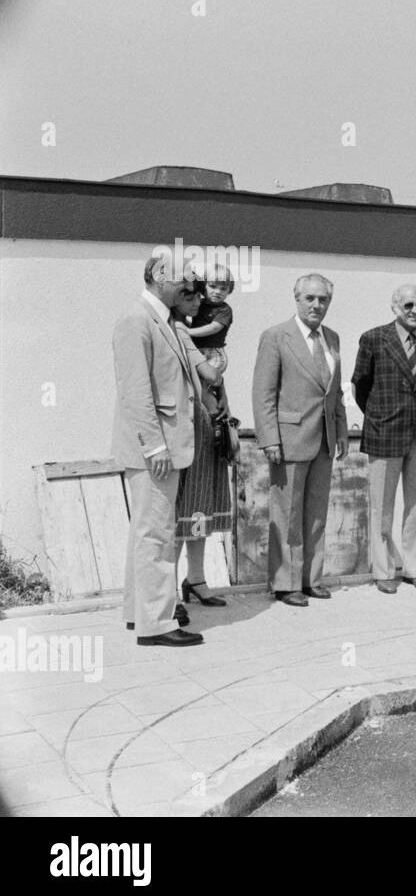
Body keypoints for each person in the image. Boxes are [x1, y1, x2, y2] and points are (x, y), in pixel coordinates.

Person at [111, 251, 205, 646]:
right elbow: (135, 392)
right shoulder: (137, 319)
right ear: (157, 276)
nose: (189, 285)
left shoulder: (162, 319)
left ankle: (140, 613)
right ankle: (159, 624)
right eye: (183, 277)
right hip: (153, 449)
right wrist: (154, 447)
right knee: (157, 535)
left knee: (145, 532)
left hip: (160, 446)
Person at [251, 273, 350, 607]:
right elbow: (263, 394)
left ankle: (311, 578)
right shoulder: (277, 336)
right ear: (297, 299)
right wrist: (269, 439)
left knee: (317, 512)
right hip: (289, 438)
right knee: (288, 513)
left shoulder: (332, 338)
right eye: (310, 298)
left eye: (323, 299)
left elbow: (334, 392)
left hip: (324, 439)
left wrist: (341, 430)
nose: (316, 305)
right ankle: (285, 582)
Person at [351, 285, 416, 594]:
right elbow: (361, 385)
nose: (415, 310)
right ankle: (383, 570)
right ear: (394, 307)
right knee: (382, 507)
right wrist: (381, 415)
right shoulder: (374, 338)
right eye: (408, 305)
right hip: (385, 431)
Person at [173, 272, 235, 615]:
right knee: (181, 511)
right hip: (183, 428)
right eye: (191, 295)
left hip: (207, 422)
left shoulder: (200, 328)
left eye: (201, 295)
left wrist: (224, 408)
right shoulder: (173, 331)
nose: (199, 301)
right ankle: (166, 592)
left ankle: (195, 579)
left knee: (201, 506)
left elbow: (216, 377)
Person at [181, 263, 235, 375]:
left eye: (223, 289)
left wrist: (188, 332)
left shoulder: (224, 310)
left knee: (207, 379)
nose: (218, 291)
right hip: (197, 349)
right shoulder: (199, 303)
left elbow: (213, 328)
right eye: (213, 286)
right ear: (204, 286)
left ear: (229, 291)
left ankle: (214, 390)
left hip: (213, 353)